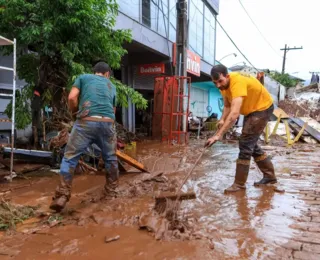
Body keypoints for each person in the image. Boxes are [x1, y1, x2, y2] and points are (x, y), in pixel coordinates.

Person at [50, 61, 118, 212]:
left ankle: (62, 196)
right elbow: (113, 111)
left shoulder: (83, 78)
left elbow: (72, 98)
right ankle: (111, 194)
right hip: (107, 123)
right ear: (107, 74)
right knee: (111, 159)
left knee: (70, 158)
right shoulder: (111, 86)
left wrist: (75, 113)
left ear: (95, 71)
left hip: (85, 121)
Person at [205, 64, 277, 193]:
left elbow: (234, 115)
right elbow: (227, 106)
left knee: (245, 144)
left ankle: (239, 184)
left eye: (220, 81)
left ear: (226, 76)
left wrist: (218, 135)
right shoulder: (223, 86)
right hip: (251, 110)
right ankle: (270, 176)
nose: (218, 85)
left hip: (262, 108)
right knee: (250, 144)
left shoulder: (237, 82)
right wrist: (221, 119)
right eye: (215, 83)